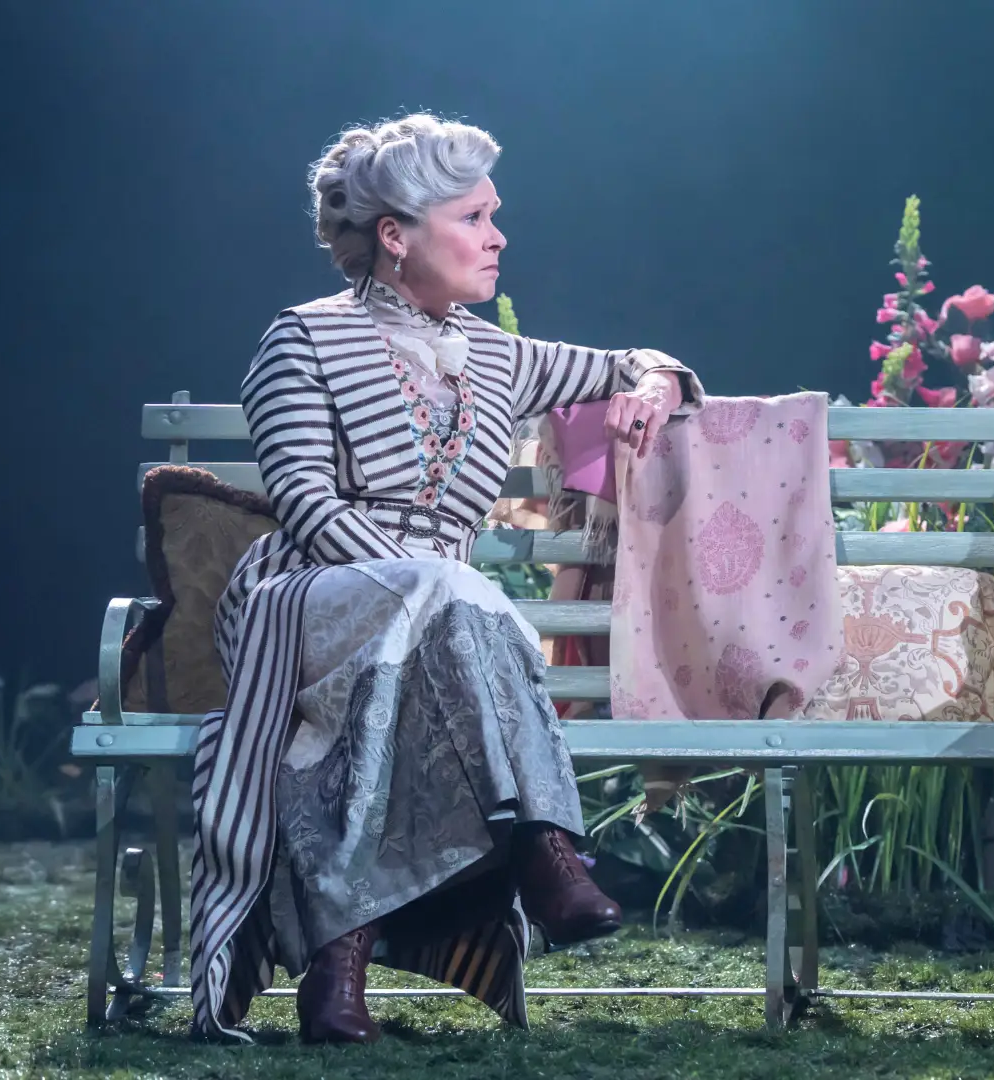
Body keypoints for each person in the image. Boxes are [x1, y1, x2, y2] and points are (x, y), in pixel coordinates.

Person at [189, 114, 703, 1044]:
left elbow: (640, 359)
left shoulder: (502, 356)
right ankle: (546, 847)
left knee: (435, 637)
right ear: (396, 236)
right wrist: (424, 580)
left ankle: (337, 970)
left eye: (494, 215)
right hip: (309, 598)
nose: (499, 236)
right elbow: (303, 503)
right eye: (474, 216)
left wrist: (654, 385)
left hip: (437, 638)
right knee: (457, 598)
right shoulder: (300, 341)